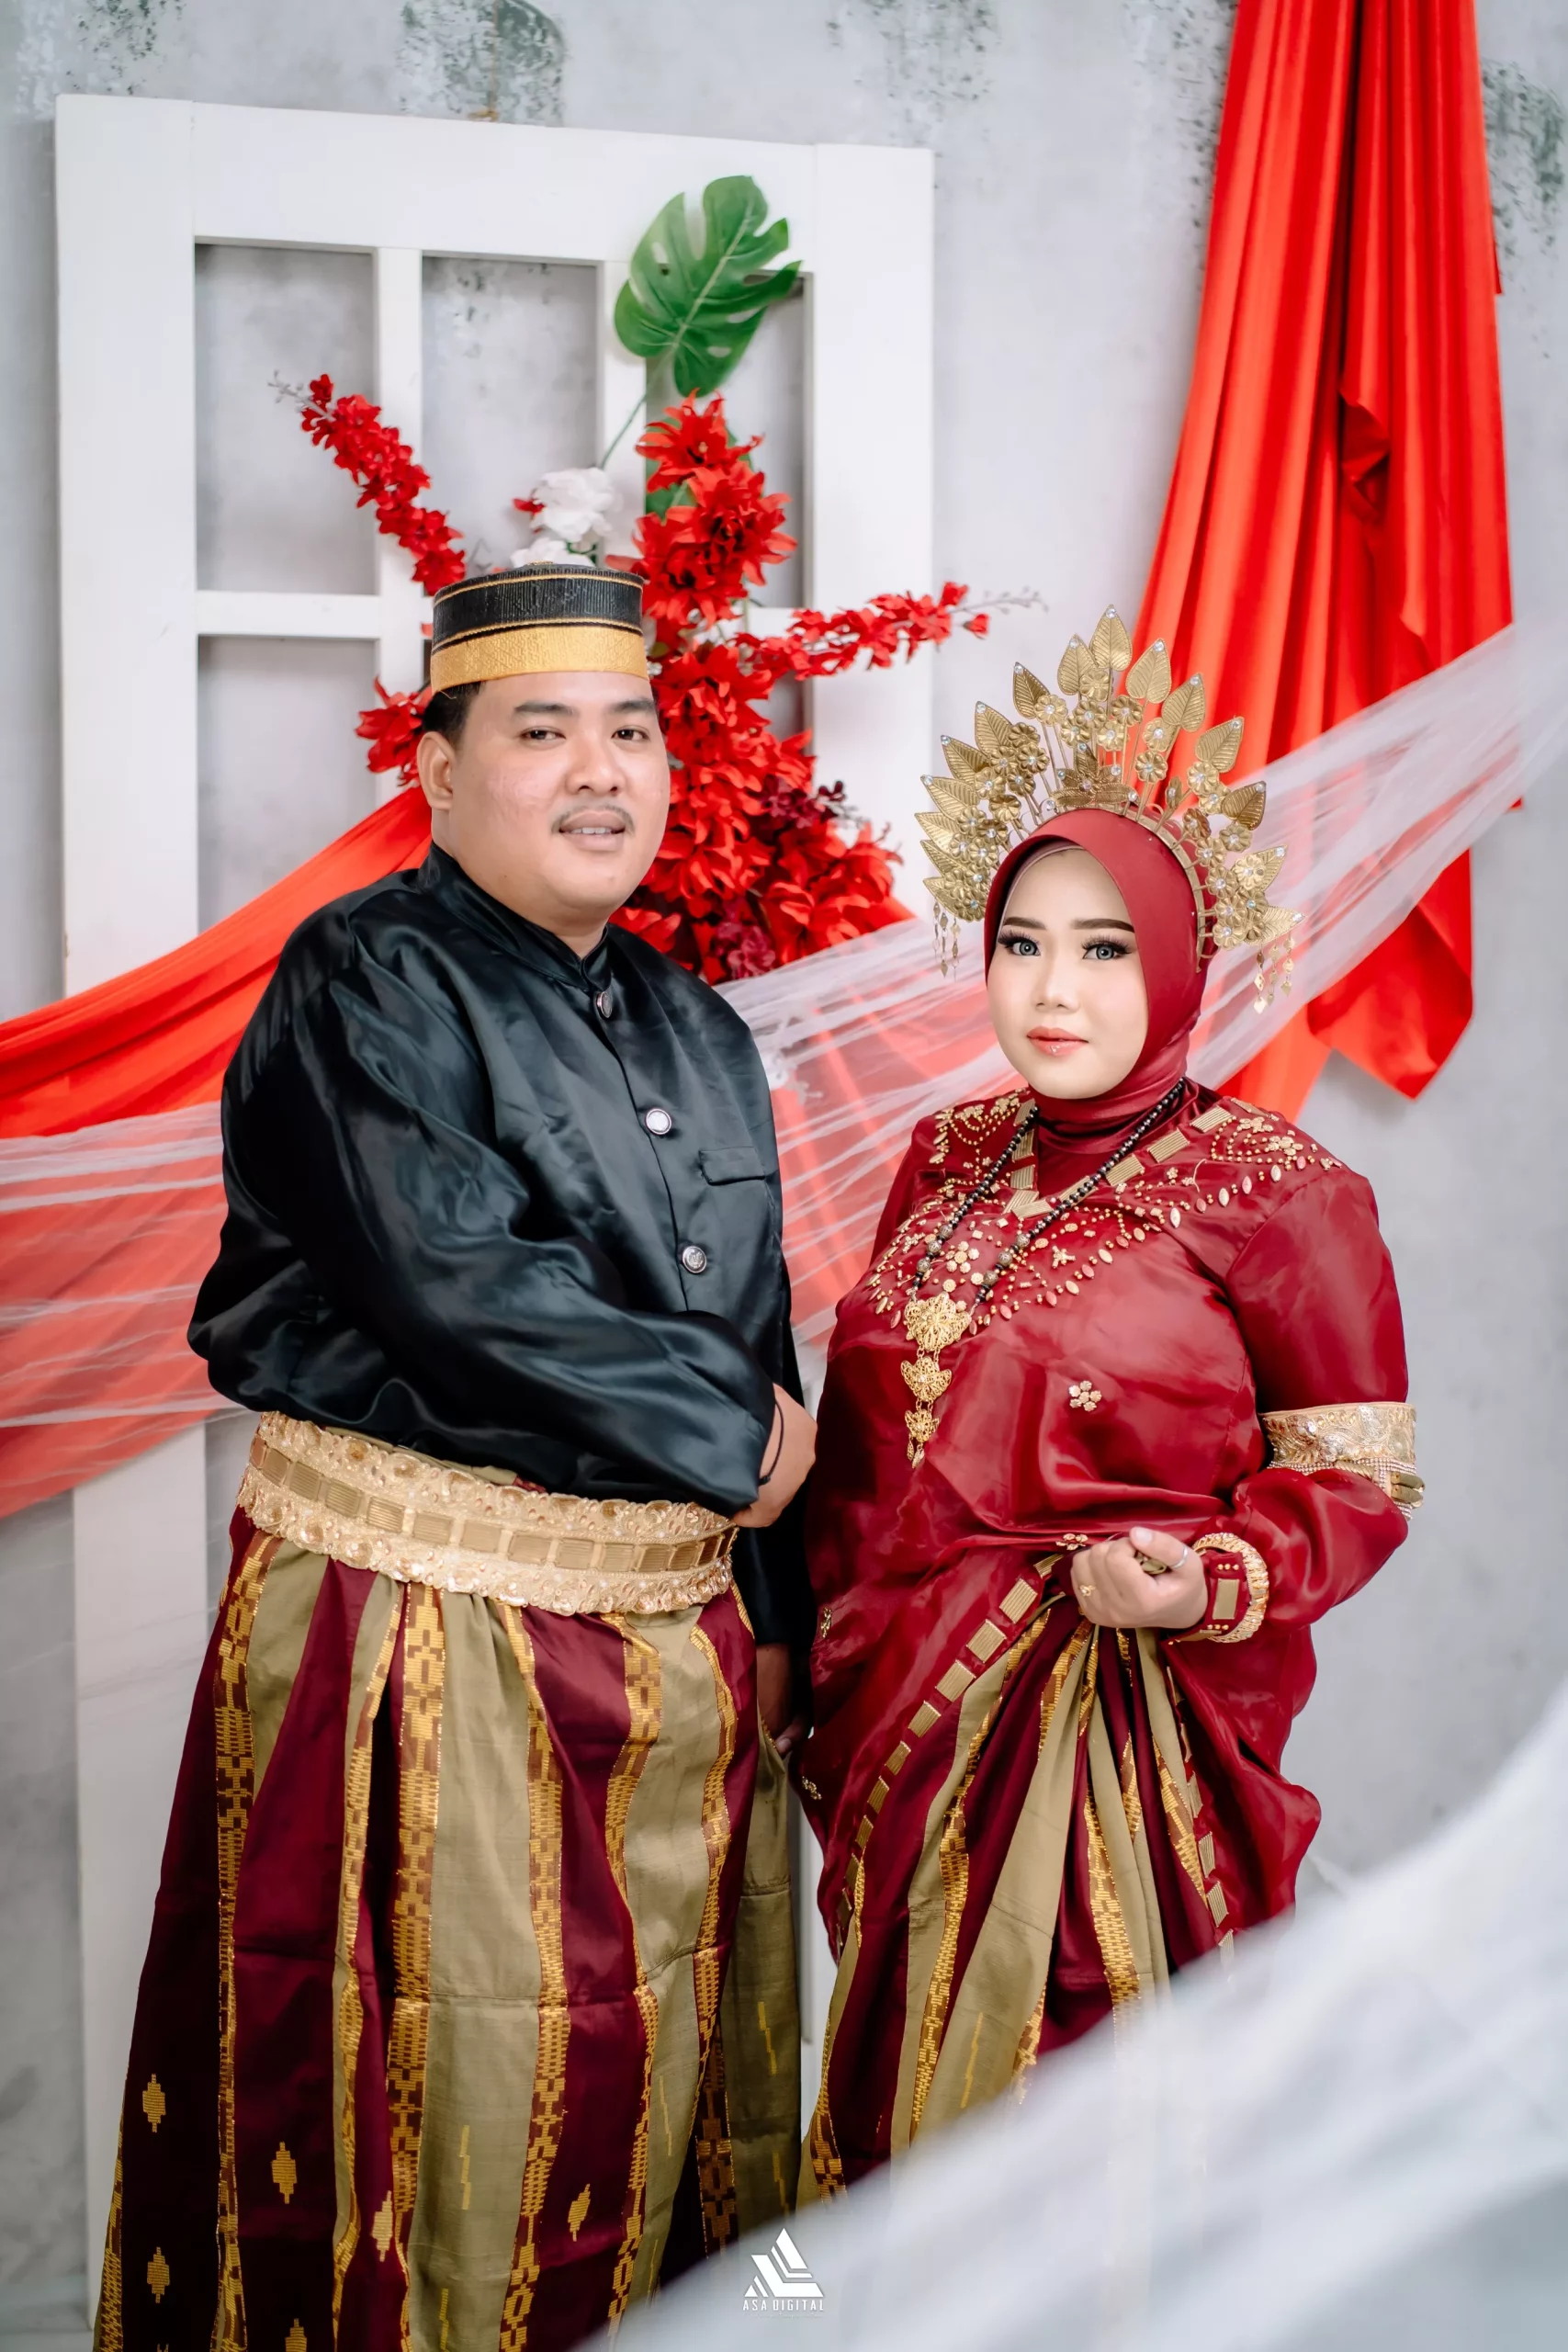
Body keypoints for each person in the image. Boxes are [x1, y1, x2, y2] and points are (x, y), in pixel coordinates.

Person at [95, 563, 816, 2352]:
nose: (600, 771)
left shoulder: (699, 1024)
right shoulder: (365, 976)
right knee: (435, 2120)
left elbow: (758, 1323)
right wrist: (733, 1439)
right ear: (434, 767)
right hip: (428, 1639)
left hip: (675, 1658)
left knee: (665, 2104)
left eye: (631, 730)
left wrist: (783, 1623)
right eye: (542, 731)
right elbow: (454, 1278)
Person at [795, 613, 1421, 2193]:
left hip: (1110, 1746)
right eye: (1020, 944)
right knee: (897, 2121)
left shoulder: (1280, 1194)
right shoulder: (946, 1156)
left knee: (1077, 2148)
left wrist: (1202, 1579)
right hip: (894, 1728)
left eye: (1103, 948)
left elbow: (1358, 1484)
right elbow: (875, 1438)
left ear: (1185, 959)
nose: (1050, 990)